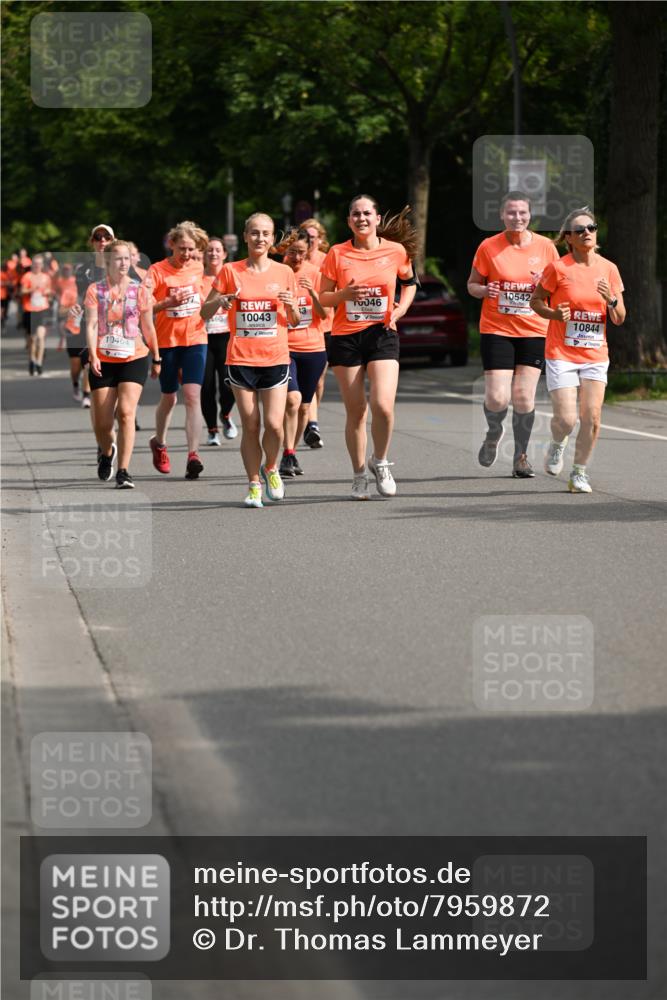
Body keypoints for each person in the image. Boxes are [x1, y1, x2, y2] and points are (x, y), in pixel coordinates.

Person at [319, 195, 417, 499]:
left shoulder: (396, 251)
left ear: (376, 219)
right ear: (349, 221)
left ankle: (381, 461)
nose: (361, 218)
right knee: (357, 412)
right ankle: (359, 473)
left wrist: (401, 309)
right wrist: (344, 294)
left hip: (382, 333)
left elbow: (410, 282)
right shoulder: (337, 253)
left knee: (383, 406)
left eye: (366, 213)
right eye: (355, 214)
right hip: (346, 338)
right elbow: (323, 298)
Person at [202, 212, 299, 507]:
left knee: (274, 425)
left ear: (272, 239)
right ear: (245, 237)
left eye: (266, 233)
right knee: (251, 424)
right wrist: (219, 302)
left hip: (275, 356)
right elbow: (204, 313)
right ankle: (253, 484)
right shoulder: (231, 271)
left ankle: (270, 468)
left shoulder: (284, 272)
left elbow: (294, 321)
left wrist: (292, 306)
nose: (260, 238)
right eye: (254, 233)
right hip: (241, 358)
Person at [530, 207, 625, 494]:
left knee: (593, 417)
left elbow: (620, 318)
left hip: (595, 354)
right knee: (567, 419)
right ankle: (558, 444)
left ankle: (579, 473)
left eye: (591, 228)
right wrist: (555, 315)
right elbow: (536, 302)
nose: (587, 233)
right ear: (569, 238)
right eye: (580, 230)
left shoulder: (609, 269)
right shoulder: (558, 268)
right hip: (562, 352)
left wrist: (611, 301)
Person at [467, 191, 560, 477]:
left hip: (534, 330)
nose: (517, 218)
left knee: (523, 397)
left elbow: (560, 289)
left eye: (522, 213)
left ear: (530, 215)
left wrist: (543, 288)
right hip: (497, 328)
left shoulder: (546, 248)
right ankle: (493, 433)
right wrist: (485, 290)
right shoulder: (488, 247)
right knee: (497, 398)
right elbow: (472, 284)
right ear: (502, 215)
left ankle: (520, 456)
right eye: (511, 213)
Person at [85, 240, 161, 488]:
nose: (123, 263)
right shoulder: (95, 290)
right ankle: (108, 452)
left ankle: (124, 471)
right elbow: (91, 324)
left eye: (127, 258)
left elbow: (148, 327)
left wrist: (157, 357)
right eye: (118, 258)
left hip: (134, 356)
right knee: (103, 423)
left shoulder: (140, 290)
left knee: (127, 414)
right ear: (107, 262)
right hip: (103, 359)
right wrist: (93, 355)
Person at [145, 220, 209, 479]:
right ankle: (159, 442)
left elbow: (202, 297)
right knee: (169, 397)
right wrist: (166, 303)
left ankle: (193, 455)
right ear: (171, 244)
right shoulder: (156, 271)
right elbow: (144, 309)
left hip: (195, 337)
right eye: (181, 248)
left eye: (190, 249)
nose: (186, 254)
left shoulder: (197, 266)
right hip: (167, 342)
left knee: (193, 396)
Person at [276, 228, 329, 477]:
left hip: (314, 348)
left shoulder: (316, 274)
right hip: (285, 347)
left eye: (301, 252)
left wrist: (313, 294)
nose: (296, 258)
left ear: (308, 252)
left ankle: (291, 453)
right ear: (284, 252)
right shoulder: (278, 274)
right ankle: (287, 454)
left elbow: (324, 314)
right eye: (292, 252)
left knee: (305, 407)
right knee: (292, 400)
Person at [68, 225, 116, 408]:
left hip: (117, 327)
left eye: (107, 237)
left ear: (113, 240)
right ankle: (93, 399)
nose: (102, 240)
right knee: (90, 363)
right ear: (92, 242)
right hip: (91, 323)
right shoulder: (83, 271)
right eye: (98, 237)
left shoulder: (123, 266)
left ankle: (124, 412)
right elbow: (82, 298)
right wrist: (76, 308)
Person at [200, 236, 237, 446]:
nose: (213, 254)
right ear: (204, 256)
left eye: (217, 250)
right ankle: (212, 429)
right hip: (203, 338)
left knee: (228, 384)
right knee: (206, 386)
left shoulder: (232, 277)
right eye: (209, 250)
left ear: (224, 254)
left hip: (227, 336)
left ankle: (226, 415)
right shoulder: (199, 280)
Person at [300, 218, 331, 448]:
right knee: (306, 381)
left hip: (326, 325)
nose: (310, 241)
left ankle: (311, 419)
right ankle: (312, 423)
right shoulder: (293, 259)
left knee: (318, 381)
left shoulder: (326, 261)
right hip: (300, 328)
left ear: (320, 239)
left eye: (313, 237)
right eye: (305, 237)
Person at [19, 255, 54, 375]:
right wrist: (31, 289)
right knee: (32, 339)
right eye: (35, 263)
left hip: (42, 309)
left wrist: (47, 292)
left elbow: (50, 292)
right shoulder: (27, 276)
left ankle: (39, 362)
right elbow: (22, 291)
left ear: (42, 265)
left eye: (39, 264)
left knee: (40, 337)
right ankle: (32, 360)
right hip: (30, 310)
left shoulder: (46, 277)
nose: (37, 266)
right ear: (32, 264)